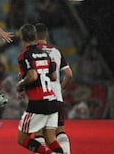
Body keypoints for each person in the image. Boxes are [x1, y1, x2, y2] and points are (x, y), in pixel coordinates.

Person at [16, 24, 63, 154]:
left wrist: (20, 84)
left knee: (21, 139)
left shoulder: (24, 55)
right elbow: (53, 77)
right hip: (52, 100)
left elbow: (32, 75)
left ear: (21, 37)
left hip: (38, 103)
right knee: (50, 139)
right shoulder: (45, 53)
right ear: (35, 37)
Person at [34, 23, 73, 154]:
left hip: (39, 98)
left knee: (39, 133)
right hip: (56, 97)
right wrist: (60, 90)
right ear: (47, 35)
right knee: (60, 131)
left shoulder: (31, 52)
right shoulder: (56, 51)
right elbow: (69, 74)